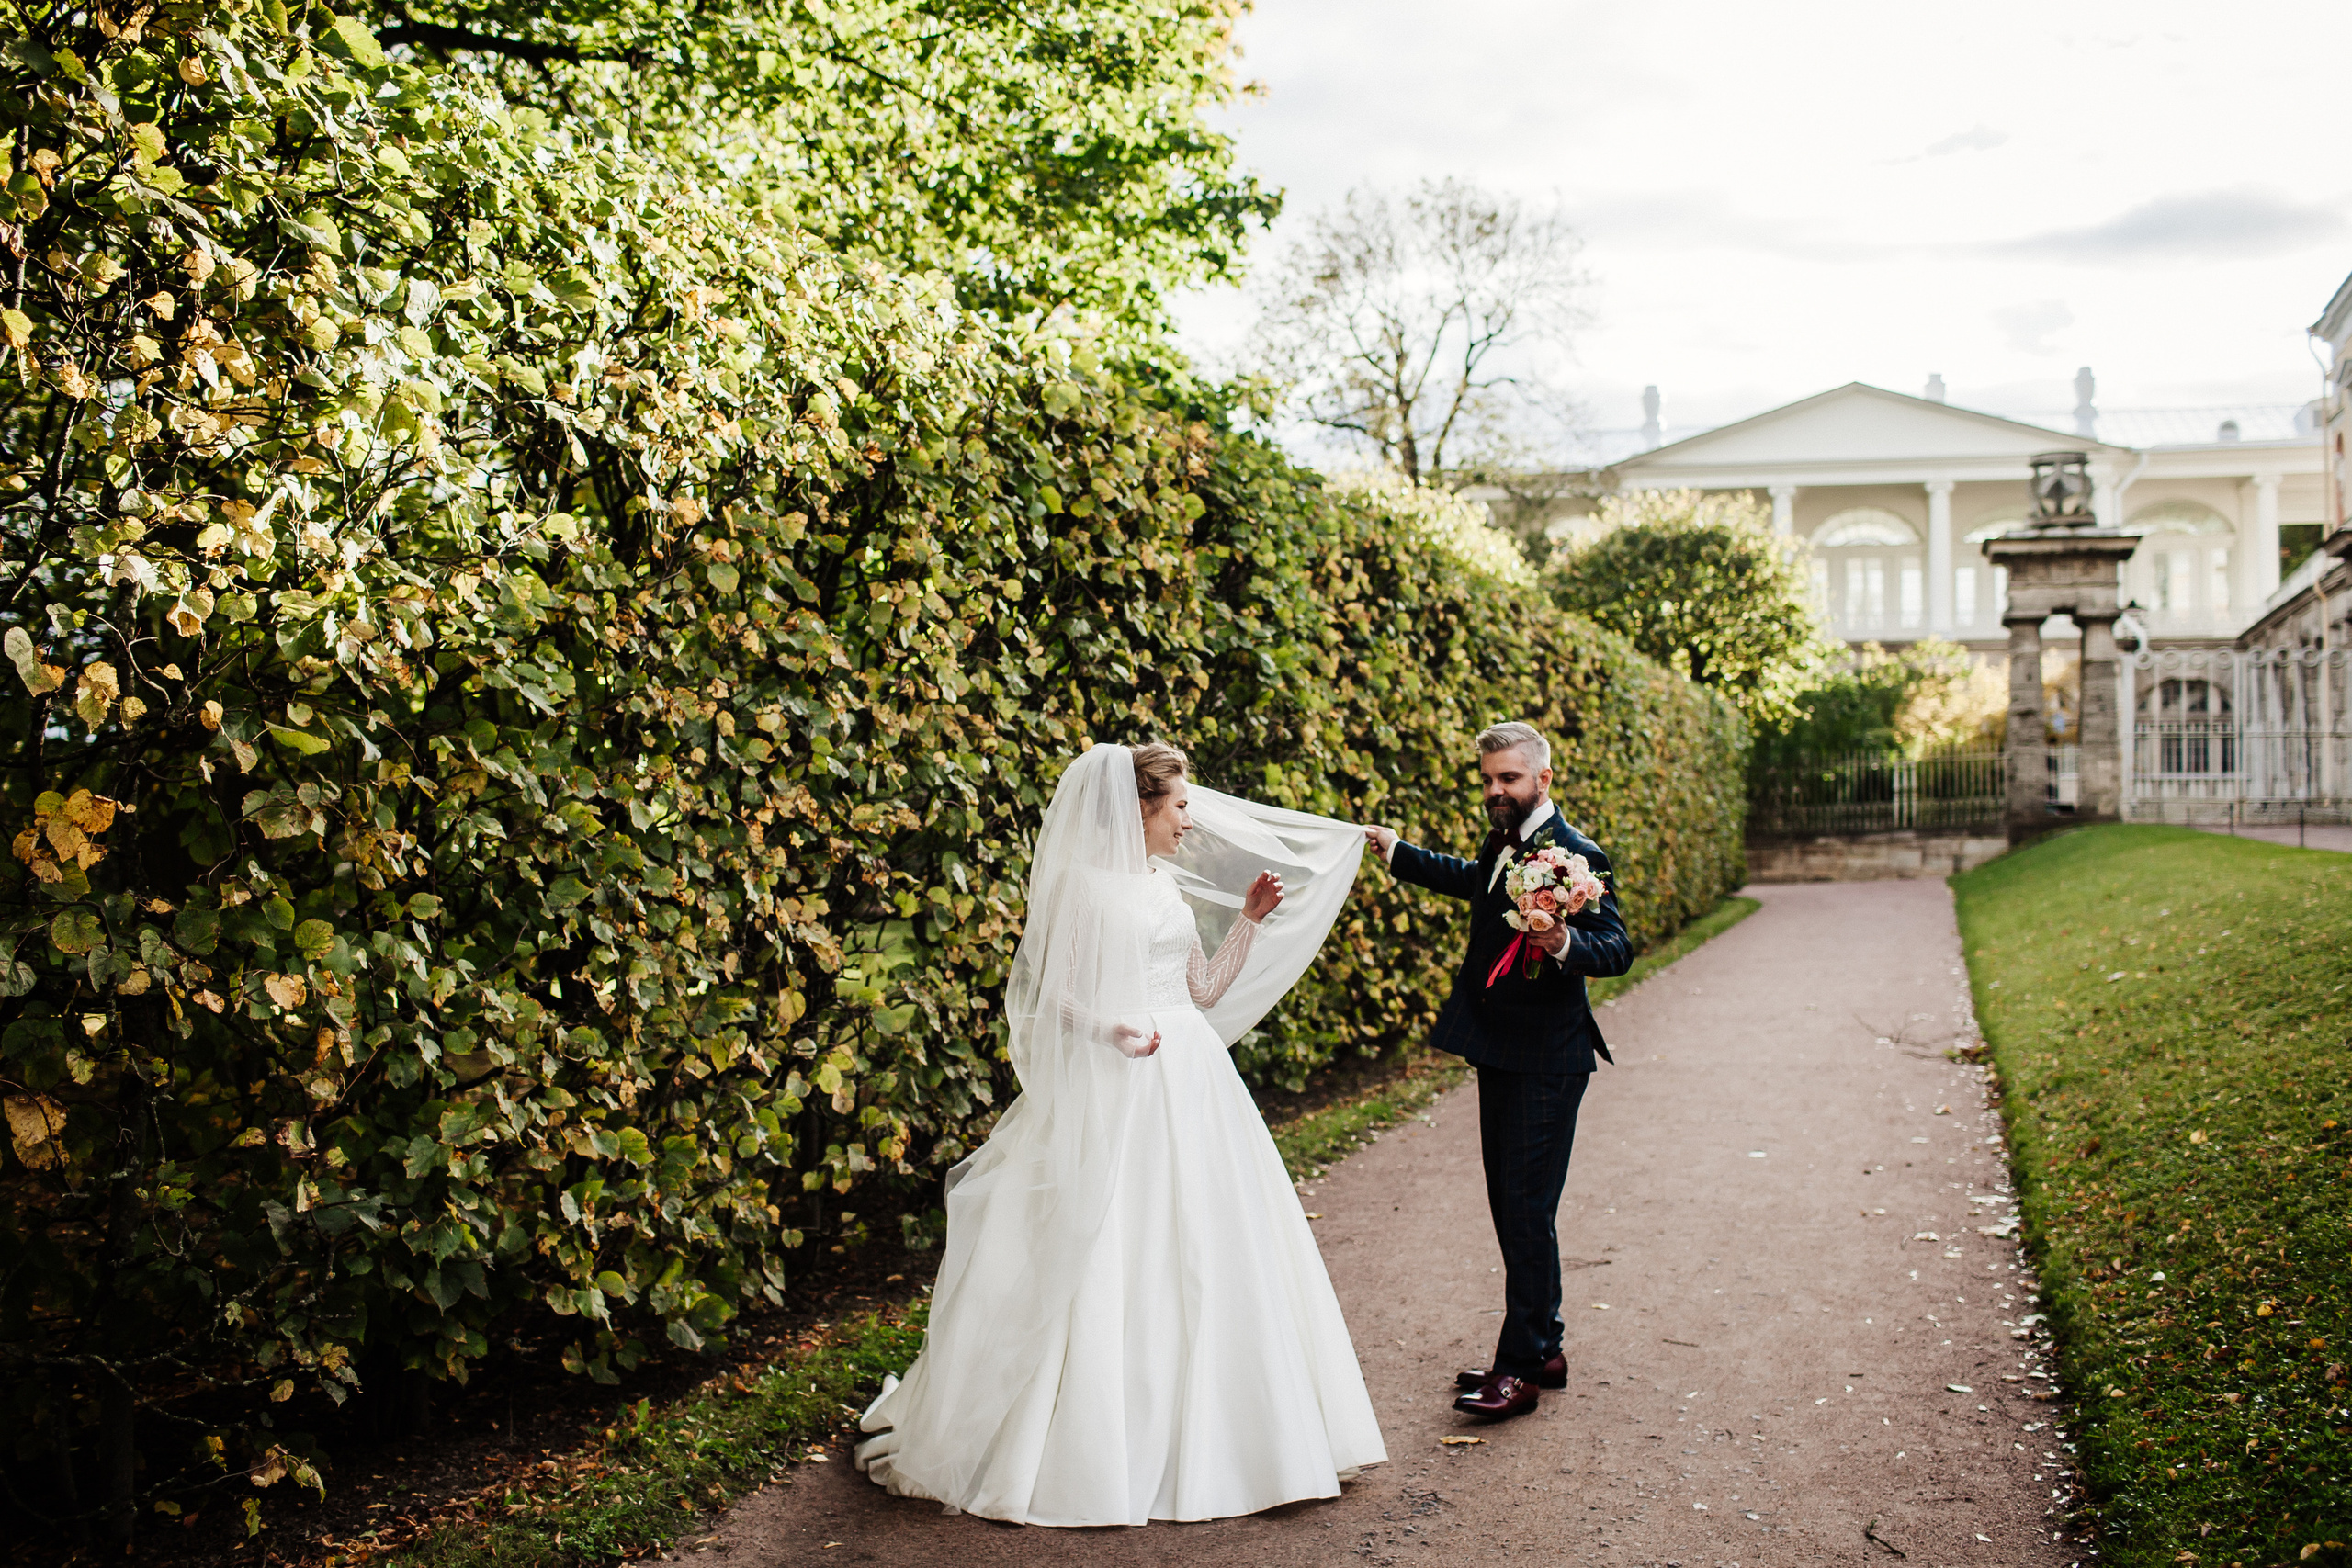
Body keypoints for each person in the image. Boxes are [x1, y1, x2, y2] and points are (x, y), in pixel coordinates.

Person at [854, 741, 1385, 1525]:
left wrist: (1247, 922)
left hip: (1194, 1080)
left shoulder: (1163, 884)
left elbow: (1200, 989)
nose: (1187, 819)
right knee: (1113, 1244)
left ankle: (1237, 1432)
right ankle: (1096, 1437)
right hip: (1124, 1076)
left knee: (1211, 1244)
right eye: (1177, 806)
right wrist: (1111, 1030)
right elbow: (1049, 994)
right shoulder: (1080, 889)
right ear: (1138, 807)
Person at [1364, 721, 1631, 1421]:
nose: (1494, 791)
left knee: (1525, 1213)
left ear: (1543, 779)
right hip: (1500, 1050)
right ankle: (1544, 1347)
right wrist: (1399, 854)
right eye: (1486, 779)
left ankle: (1519, 1369)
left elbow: (1617, 945)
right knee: (1514, 1211)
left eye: (1507, 778)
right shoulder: (1506, 844)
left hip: (1549, 1059)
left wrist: (1564, 937)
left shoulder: (1576, 854)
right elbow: (1477, 886)